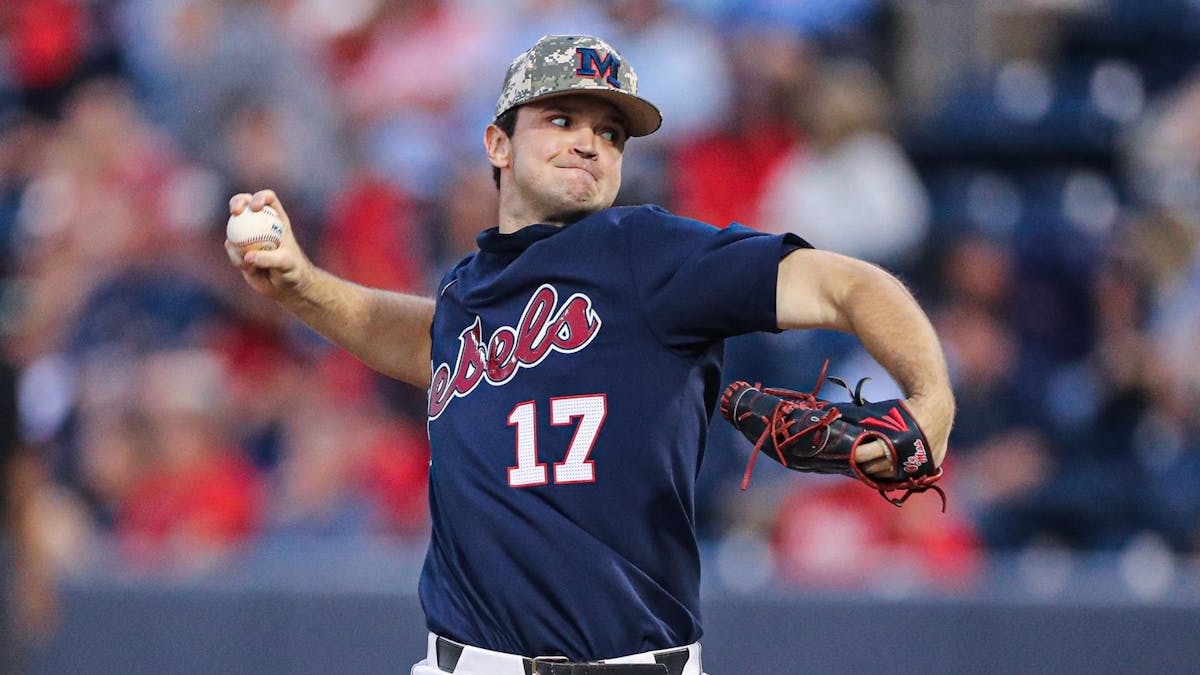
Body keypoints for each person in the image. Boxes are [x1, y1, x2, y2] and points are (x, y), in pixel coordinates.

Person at [225, 35, 955, 675]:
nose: (589, 142)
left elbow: (845, 284)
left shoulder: (648, 252)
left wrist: (932, 397)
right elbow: (424, 337)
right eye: (562, 119)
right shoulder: (469, 292)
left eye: (610, 133)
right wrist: (300, 284)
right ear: (498, 144)